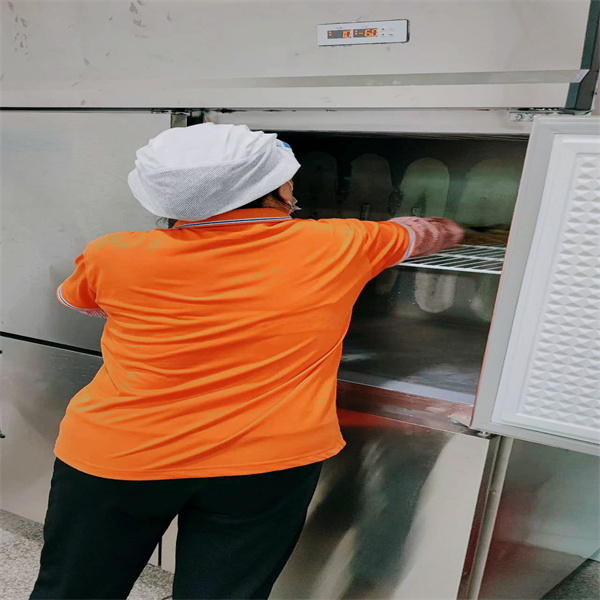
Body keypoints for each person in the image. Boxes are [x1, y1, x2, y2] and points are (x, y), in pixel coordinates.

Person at [30, 123, 463, 600]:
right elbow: (430, 233)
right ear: (277, 189)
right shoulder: (343, 242)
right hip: (265, 464)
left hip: (120, 455)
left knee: (73, 590)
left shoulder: (113, 253)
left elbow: (81, 302)